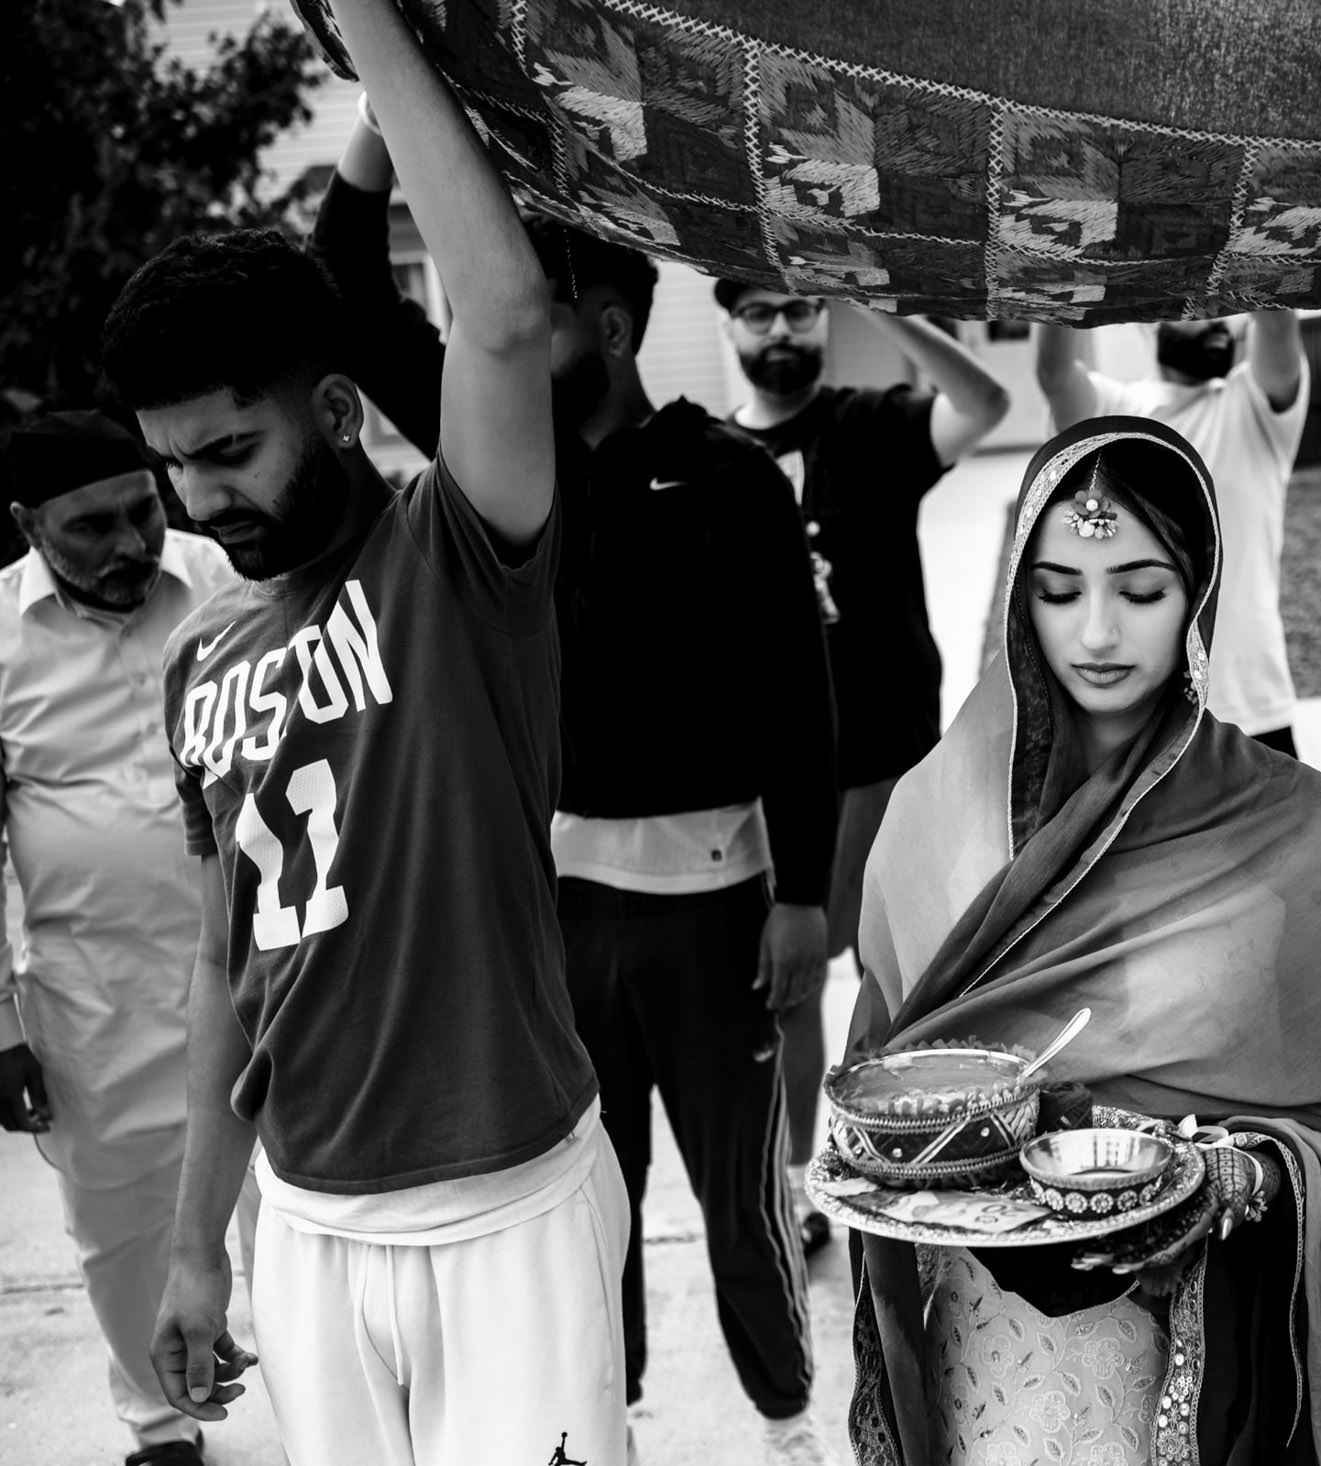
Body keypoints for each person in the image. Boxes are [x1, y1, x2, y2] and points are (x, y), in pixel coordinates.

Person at [105, 0, 625, 1457]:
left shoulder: (461, 558)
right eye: (168, 469)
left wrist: (376, 29)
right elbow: (226, 963)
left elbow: (505, 314)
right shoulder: (197, 661)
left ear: (335, 411)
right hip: (309, 1219)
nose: (197, 500)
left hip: (509, 1200)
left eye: (228, 451)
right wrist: (199, 1239)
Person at [313, 111, 841, 1464]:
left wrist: (807, 899)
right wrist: (379, 133)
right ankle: (605, 1423)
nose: (493, 337)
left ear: (604, 323)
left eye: (528, 313)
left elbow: (800, 698)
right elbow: (347, 291)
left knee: (742, 1197)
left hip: (716, 914)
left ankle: (788, 1419)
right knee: (578, 1208)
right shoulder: (504, 477)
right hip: (548, 917)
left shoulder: (729, 479)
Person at [843, 418, 1321, 1465]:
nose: (1097, 632)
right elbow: (881, 1082)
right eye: (1058, 591)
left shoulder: (1292, 825)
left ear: (1198, 595)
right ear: (1018, 600)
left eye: (1139, 591)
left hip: (1191, 1339)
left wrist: (1235, 1181)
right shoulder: (937, 812)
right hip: (995, 1346)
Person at [712, 278, 1010, 1261]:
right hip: (772, 779)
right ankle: (799, 1181)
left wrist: (872, 293)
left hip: (889, 763)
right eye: (759, 311)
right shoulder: (711, 460)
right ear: (730, 326)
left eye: (801, 308)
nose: (783, 327)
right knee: (789, 990)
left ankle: (907, 1159)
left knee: (907, 986)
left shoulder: (867, 426)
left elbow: (985, 405)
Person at [0, 411, 252, 1466]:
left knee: (297, 1213)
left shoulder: (231, 582)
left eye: (141, 510)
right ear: (26, 525)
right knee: (123, 1228)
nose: (129, 545)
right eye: (90, 526)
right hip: (95, 992)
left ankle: (346, 1411)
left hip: (266, 970)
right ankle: (162, 1424)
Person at [1034, 313, 1309, 754]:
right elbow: (1054, 372)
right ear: (1149, 322)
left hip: (1252, 711)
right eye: (1205, 307)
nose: (1224, 322)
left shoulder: (1254, 404)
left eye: (1231, 310)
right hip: (1140, 720)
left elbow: (1276, 323)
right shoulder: (1111, 409)